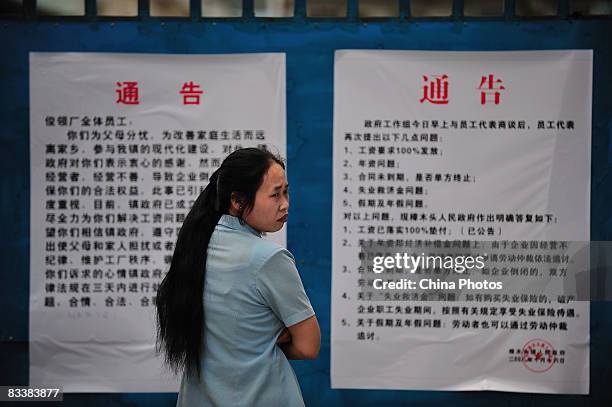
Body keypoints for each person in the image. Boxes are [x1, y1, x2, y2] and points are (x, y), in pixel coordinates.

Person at [155, 147, 320, 407]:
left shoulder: (195, 246)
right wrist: (266, 340)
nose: (285, 203)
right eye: (275, 194)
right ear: (237, 201)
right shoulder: (270, 258)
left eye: (286, 191)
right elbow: (308, 346)